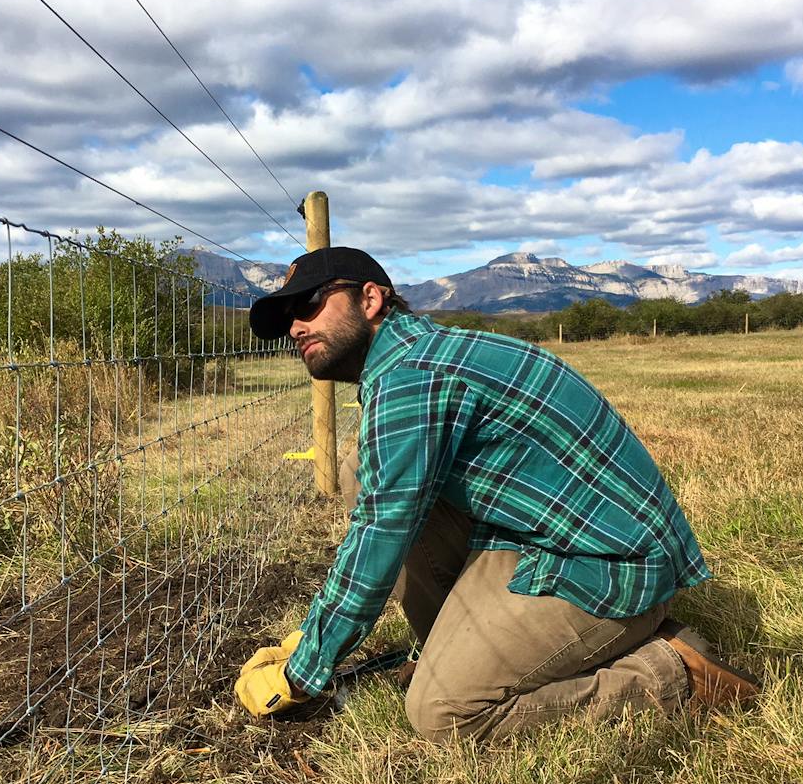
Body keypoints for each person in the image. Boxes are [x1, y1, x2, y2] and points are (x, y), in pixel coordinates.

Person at [234, 246, 760, 739]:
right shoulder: (415, 357)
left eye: (309, 304)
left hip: (608, 565)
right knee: (358, 468)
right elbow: (384, 507)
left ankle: (672, 671)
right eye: (286, 321)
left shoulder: (411, 376)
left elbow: (380, 533)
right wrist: (317, 637)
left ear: (371, 299)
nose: (296, 327)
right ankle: (463, 649)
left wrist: (305, 670)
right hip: (542, 535)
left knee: (442, 713)